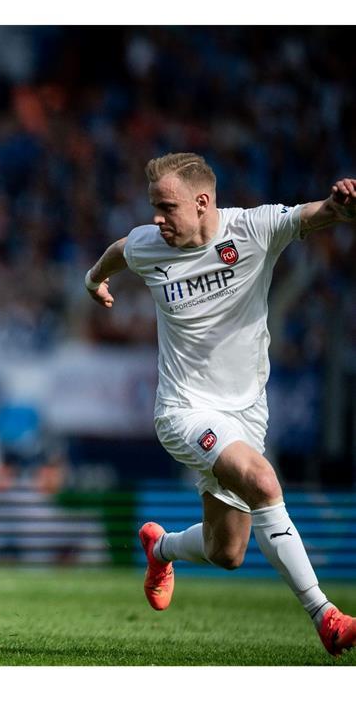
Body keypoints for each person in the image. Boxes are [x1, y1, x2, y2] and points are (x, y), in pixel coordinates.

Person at [84, 152, 356, 657]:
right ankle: (327, 615)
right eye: (153, 208)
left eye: (167, 207)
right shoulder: (150, 243)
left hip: (247, 412)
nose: (157, 219)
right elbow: (118, 251)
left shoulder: (253, 230)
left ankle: (160, 547)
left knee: (226, 550)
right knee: (262, 481)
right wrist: (93, 280)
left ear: (203, 202)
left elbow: (314, 214)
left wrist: (343, 208)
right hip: (183, 410)